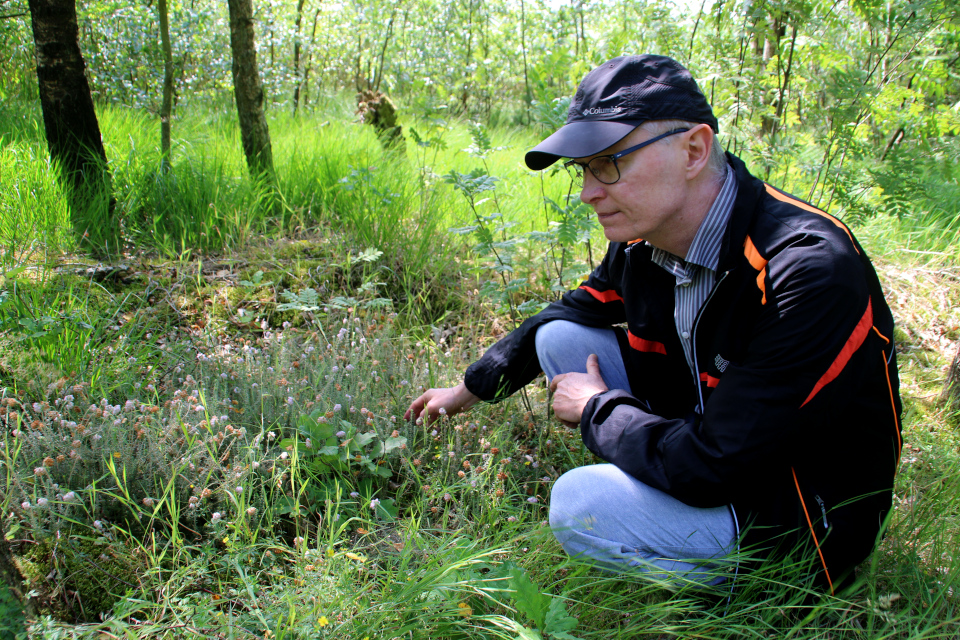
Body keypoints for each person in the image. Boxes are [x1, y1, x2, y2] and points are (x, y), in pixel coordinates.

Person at [405, 54, 902, 594]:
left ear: (693, 150)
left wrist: (598, 410)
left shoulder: (807, 271)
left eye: (610, 162)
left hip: (801, 513)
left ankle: (766, 599)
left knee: (579, 507)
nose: (589, 192)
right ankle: (663, 508)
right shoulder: (644, 243)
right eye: (583, 169)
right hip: (711, 440)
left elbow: (720, 464)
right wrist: (467, 390)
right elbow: (570, 310)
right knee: (561, 337)